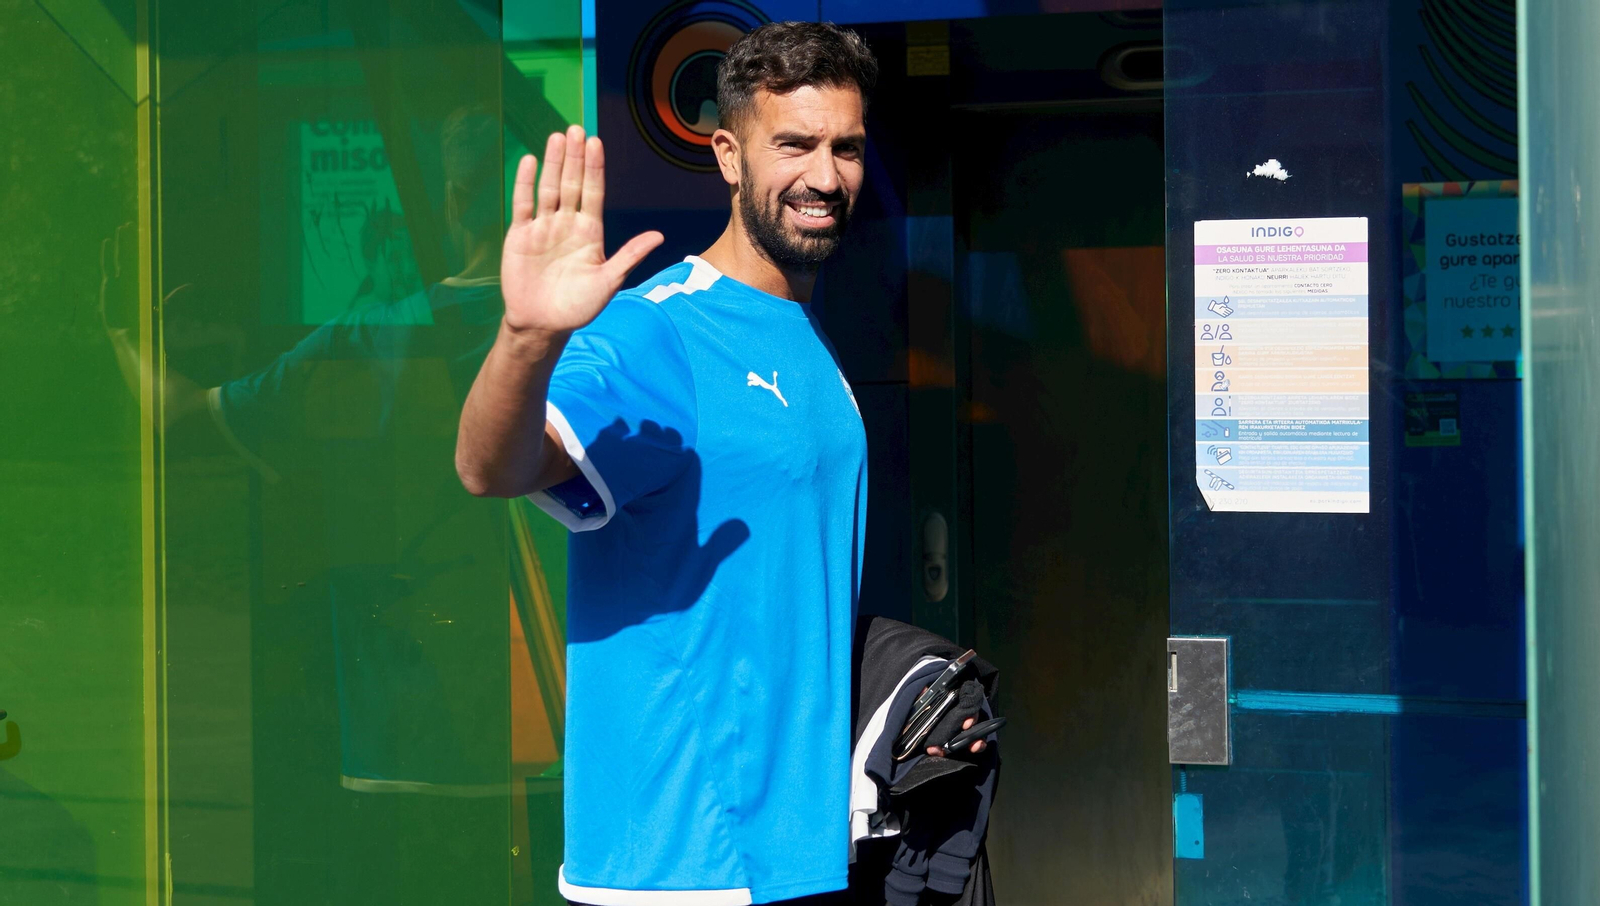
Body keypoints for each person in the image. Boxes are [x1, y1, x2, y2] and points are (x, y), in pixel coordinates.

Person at [456, 21, 982, 906]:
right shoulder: (660, 328)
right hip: (680, 867)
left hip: (798, 854)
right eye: (795, 145)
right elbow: (493, 465)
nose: (825, 176)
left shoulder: (807, 338)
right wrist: (527, 336)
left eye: (846, 148)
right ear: (729, 156)